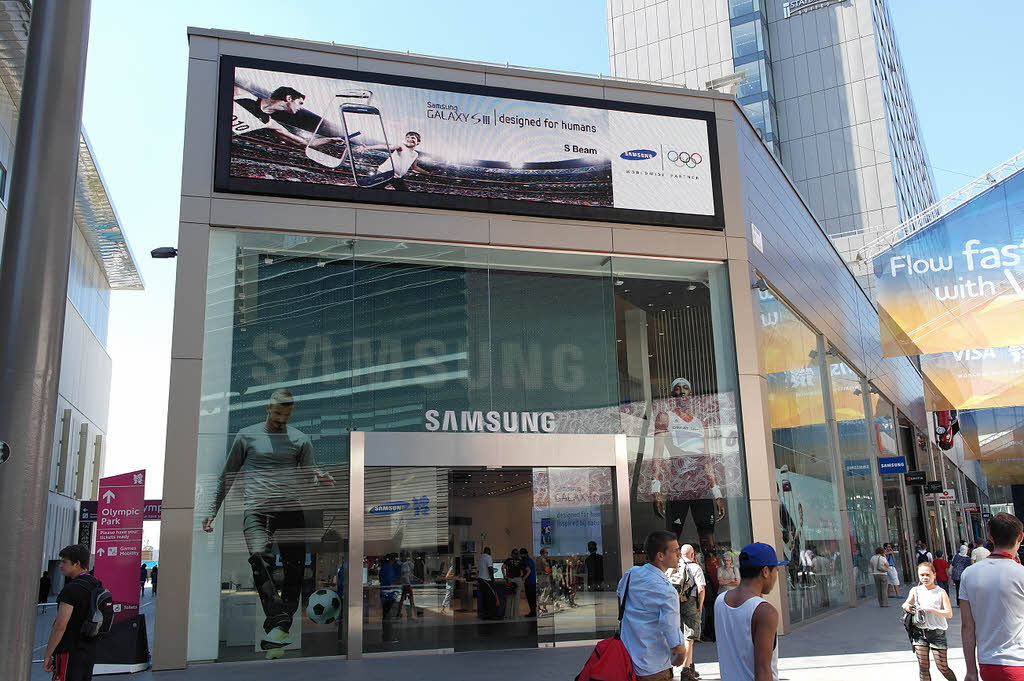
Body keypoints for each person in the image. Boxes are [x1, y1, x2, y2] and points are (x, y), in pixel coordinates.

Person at [202, 388, 334, 658]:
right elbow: (227, 474)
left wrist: (319, 476)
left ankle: (279, 626)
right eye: (276, 417)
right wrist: (212, 510)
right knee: (260, 558)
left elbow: (309, 472)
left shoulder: (300, 439)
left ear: (291, 414)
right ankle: (278, 618)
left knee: (296, 568)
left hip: (290, 509)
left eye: (285, 418)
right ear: (267, 409)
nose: (280, 422)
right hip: (257, 510)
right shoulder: (247, 436)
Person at [651, 378, 726, 589]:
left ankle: (713, 587)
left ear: (691, 394)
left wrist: (717, 492)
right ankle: (669, 586)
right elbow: (657, 454)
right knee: (671, 541)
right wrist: (656, 489)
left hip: (701, 486)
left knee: (709, 543)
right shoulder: (665, 417)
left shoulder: (700, 422)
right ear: (672, 395)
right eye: (677, 389)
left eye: (685, 388)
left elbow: (708, 459)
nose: (682, 392)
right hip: (678, 486)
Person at [960, 512, 1024, 681]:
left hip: (988, 665)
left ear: (990, 536)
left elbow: (967, 626)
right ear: (1020, 537)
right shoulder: (1021, 573)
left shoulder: (969, 574)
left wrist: (971, 671)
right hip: (1020, 663)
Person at [617, 531, 686, 681]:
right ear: (660, 556)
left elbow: (620, 596)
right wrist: (681, 652)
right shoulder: (667, 590)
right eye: (675, 551)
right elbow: (671, 627)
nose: (679, 554)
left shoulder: (631, 574)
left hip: (626, 659)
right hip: (654, 665)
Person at [715, 542, 786, 681]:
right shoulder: (764, 611)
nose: (776, 576)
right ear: (766, 571)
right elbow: (763, 670)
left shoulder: (720, 601)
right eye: (776, 570)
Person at [43, 545, 101, 681]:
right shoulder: (96, 584)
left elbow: (60, 626)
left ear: (77, 564)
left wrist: (48, 655)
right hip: (89, 649)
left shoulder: (71, 589)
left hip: (68, 650)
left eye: (64, 561)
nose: (60, 565)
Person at [903, 561, 957, 681]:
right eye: (922, 575)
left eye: (928, 575)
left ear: (934, 575)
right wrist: (908, 607)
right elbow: (906, 603)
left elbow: (949, 613)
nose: (925, 578)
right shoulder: (915, 590)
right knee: (923, 667)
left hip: (937, 632)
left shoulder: (941, 592)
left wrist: (931, 609)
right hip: (919, 633)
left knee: (942, 667)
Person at [672, 544, 706, 680]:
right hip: (691, 602)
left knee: (680, 635)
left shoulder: (675, 566)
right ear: (692, 555)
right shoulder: (695, 567)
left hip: (675, 603)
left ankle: (690, 667)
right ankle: (685, 670)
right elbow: (701, 588)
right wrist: (700, 605)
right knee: (689, 638)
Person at [361, 132, 430, 191]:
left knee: (405, 192)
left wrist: (427, 173)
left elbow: (414, 167)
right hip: (386, 173)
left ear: (418, 142)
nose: (409, 139)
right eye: (407, 137)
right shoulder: (401, 146)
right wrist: (368, 147)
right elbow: (385, 147)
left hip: (397, 177)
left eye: (413, 138)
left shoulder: (415, 154)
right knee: (375, 190)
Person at [378, 554, 400, 643]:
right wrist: (399, 582)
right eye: (394, 560)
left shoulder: (383, 568)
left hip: (384, 594)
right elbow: (391, 582)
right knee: (389, 616)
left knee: (385, 615)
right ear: (391, 560)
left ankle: (386, 634)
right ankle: (389, 636)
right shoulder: (389, 569)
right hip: (389, 595)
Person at [397, 551, 419, 619]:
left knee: (405, 599)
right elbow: (405, 574)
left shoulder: (404, 564)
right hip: (406, 584)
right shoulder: (404, 564)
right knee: (410, 599)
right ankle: (414, 614)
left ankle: (411, 614)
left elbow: (408, 573)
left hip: (406, 584)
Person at [503, 549, 523, 618]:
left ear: (512, 554)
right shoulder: (520, 561)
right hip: (518, 579)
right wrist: (523, 578)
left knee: (509, 598)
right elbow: (527, 570)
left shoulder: (508, 560)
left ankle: (508, 615)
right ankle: (515, 615)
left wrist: (504, 576)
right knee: (517, 599)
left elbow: (503, 567)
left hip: (510, 579)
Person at [520, 548, 538, 617]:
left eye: (521, 554)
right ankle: (533, 612)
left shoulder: (527, 561)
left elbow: (529, 571)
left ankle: (533, 612)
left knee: (531, 598)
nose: (521, 556)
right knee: (531, 598)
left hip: (530, 582)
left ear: (524, 554)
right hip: (531, 582)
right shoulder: (529, 560)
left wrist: (523, 578)